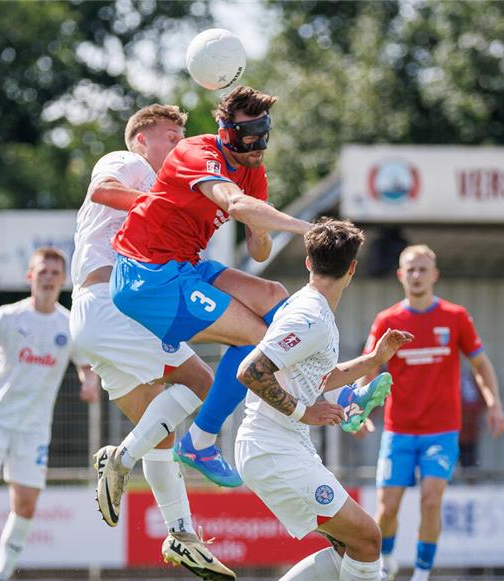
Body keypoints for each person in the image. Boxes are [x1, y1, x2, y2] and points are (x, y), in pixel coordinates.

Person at [97, 86, 363, 519]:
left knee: (275, 297)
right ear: (225, 132)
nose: (257, 145)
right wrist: (308, 229)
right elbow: (234, 203)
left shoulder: (253, 169)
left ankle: (333, 388)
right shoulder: (195, 152)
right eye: (248, 135)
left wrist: (261, 230)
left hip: (186, 265)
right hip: (147, 276)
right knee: (258, 340)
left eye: (263, 134)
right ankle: (200, 441)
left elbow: (259, 249)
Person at [223, 219, 422, 581]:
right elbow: (250, 371)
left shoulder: (311, 310)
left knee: (350, 546)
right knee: (368, 538)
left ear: (309, 262)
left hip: (281, 447)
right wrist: (303, 411)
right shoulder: (309, 316)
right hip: (272, 448)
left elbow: (318, 376)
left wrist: (374, 359)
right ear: (352, 269)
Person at [69, 103, 233, 581]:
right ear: (141, 138)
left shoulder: (160, 189)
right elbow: (102, 189)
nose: (177, 145)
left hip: (97, 316)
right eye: (169, 136)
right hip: (110, 305)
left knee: (159, 432)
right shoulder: (128, 162)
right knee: (205, 384)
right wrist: (166, 202)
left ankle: (182, 534)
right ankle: (119, 459)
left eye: (182, 137)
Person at [354, 244, 504, 581]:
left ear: (435, 275)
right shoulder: (387, 320)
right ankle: (386, 564)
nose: (417, 275)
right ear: (400, 275)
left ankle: (421, 579)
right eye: (411, 269)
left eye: (423, 269)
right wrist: (357, 410)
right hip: (399, 430)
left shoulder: (455, 317)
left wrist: (494, 403)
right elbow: (368, 369)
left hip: (442, 430)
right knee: (387, 508)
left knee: (431, 500)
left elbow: (481, 365)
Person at [0, 247, 99, 581]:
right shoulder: (8, 316)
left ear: (63, 280)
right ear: (30, 276)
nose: (49, 278)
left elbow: (86, 364)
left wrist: (89, 383)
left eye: (55, 273)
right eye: (42, 271)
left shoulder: (69, 324)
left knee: (27, 505)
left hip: (34, 428)